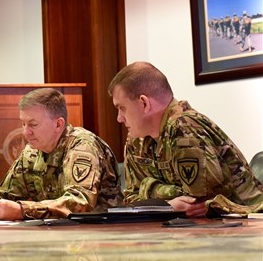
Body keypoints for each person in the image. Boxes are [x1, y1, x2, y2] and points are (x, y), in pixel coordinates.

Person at [0, 88, 123, 221]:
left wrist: (22, 210)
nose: (26, 133)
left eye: (33, 125)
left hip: (101, 236)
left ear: (58, 124)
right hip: (62, 236)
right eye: (23, 124)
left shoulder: (82, 147)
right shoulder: (32, 152)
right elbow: (4, 195)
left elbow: (79, 203)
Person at [108, 61, 263, 217]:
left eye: (122, 108)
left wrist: (148, 187)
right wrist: (169, 205)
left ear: (144, 103)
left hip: (247, 222)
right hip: (189, 228)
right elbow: (131, 200)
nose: (119, 118)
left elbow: (196, 203)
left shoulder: (184, 127)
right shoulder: (136, 140)